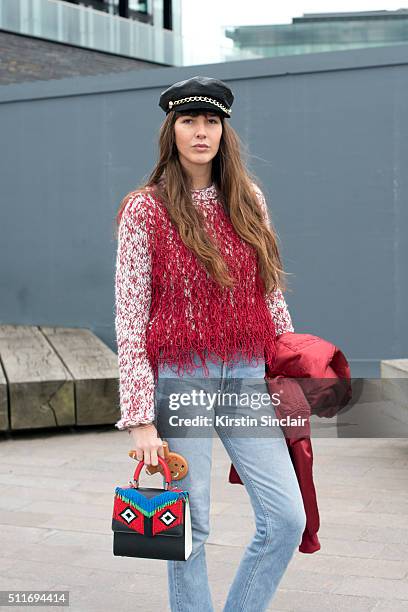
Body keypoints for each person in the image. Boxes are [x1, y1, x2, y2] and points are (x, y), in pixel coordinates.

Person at [113, 75, 306, 612]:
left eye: (211, 121)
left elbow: (270, 294)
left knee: (288, 518)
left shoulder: (248, 199)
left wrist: (286, 370)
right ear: (171, 130)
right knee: (188, 528)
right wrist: (140, 419)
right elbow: (130, 318)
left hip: (246, 374)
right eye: (188, 121)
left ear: (225, 130)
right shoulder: (144, 210)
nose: (201, 131)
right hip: (182, 378)